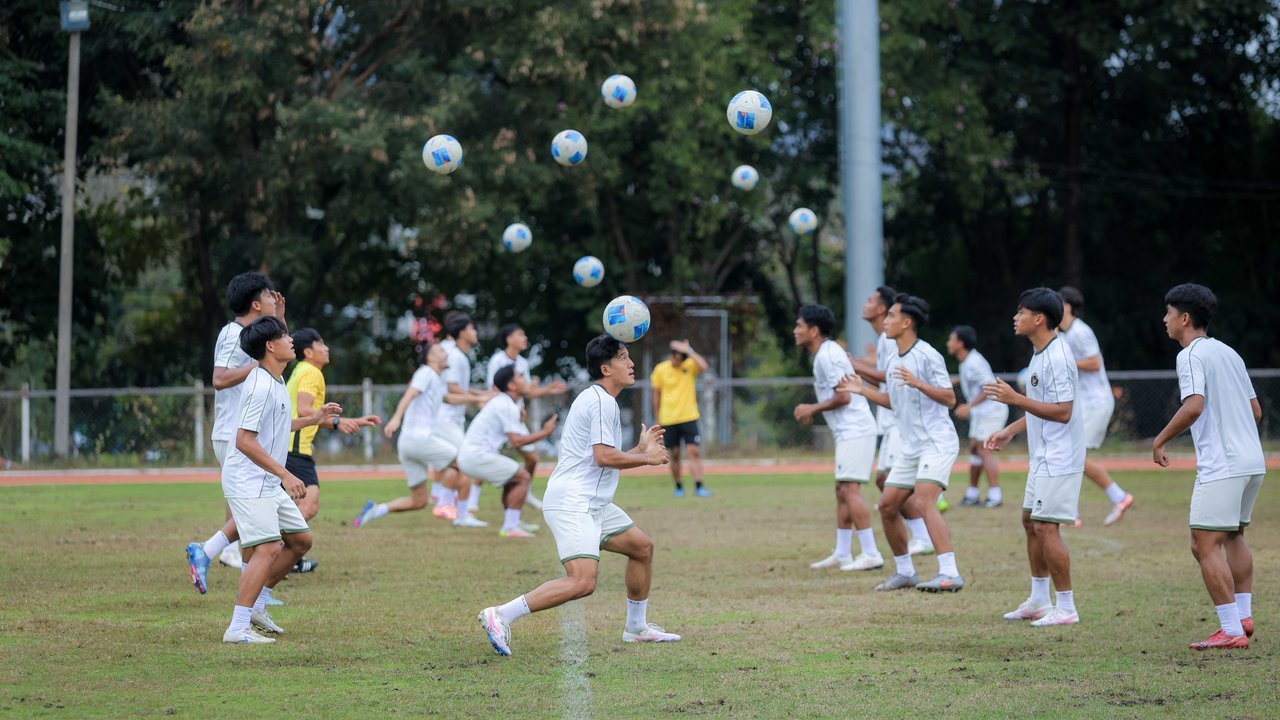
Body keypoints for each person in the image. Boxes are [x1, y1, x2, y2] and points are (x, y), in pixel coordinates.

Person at [478, 335, 679, 656]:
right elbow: (604, 457)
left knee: (642, 547)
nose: (631, 364)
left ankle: (637, 628)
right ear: (605, 367)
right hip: (574, 503)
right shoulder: (600, 401)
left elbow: (604, 457)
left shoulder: (602, 400)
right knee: (583, 582)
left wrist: (639, 450)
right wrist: (646, 458)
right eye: (623, 358)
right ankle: (501, 614)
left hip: (593, 503)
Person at [1152, 283, 1264, 650]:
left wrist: (1161, 438)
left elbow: (1195, 405)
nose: (1165, 319)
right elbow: (1256, 411)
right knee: (1233, 536)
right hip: (1252, 461)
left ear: (1184, 318)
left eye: (1169, 312)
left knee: (1202, 544)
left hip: (1224, 463)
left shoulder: (1191, 355)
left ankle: (1231, 630)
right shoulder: (1228, 352)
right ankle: (1243, 615)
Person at [218, 316, 340, 643]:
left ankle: (256, 606)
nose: (292, 341)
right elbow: (244, 441)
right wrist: (285, 473)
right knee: (269, 547)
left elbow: (280, 426)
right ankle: (237, 628)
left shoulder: (276, 379)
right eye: (285, 336)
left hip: (266, 481)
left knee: (301, 541)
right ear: (271, 346)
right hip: (248, 480)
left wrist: (314, 418)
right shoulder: (259, 385)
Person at [839, 294, 963, 593]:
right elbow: (894, 401)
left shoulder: (927, 354)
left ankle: (950, 573)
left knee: (922, 501)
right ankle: (906, 572)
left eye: (892, 316)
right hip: (912, 447)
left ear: (907, 322)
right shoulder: (895, 357)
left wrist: (919, 383)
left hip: (937, 441)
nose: (887, 321)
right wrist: (862, 390)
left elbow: (949, 398)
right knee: (887, 505)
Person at [984, 288, 1084, 627]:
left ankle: (1066, 607)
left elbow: (1063, 412)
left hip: (1059, 457)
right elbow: (1041, 409)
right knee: (1030, 522)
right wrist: (1010, 430)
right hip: (1041, 456)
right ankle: (1040, 600)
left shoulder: (1057, 356)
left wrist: (1015, 399)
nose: (1015, 317)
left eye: (1021, 312)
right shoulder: (1039, 354)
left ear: (1039, 318)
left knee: (1045, 526)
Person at [186, 272, 285, 593]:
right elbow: (219, 378)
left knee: (254, 513)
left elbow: (277, 357)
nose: (276, 298)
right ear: (256, 303)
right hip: (236, 435)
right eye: (270, 295)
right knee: (258, 509)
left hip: (246, 434)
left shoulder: (254, 333)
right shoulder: (232, 334)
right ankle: (212, 551)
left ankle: (245, 582)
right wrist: (258, 363)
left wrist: (279, 322)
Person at [792, 304, 884, 573]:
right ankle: (842, 553)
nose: (795, 331)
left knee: (850, 490)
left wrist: (812, 408)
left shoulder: (827, 356)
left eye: (799, 326)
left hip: (855, 430)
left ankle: (871, 553)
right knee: (841, 490)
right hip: (848, 431)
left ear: (814, 330)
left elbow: (844, 396)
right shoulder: (826, 352)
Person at [354, 343, 484, 529]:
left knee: (419, 500)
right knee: (463, 462)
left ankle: (375, 510)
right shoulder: (426, 372)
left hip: (408, 445)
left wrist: (479, 398)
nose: (445, 353)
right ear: (431, 358)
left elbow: (450, 399)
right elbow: (410, 394)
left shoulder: (436, 379)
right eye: (440, 351)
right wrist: (396, 418)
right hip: (420, 440)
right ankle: (457, 513)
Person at [284, 327, 381, 572]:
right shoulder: (311, 371)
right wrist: (338, 422)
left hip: (288, 446)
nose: (326, 348)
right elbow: (306, 410)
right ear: (308, 351)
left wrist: (349, 421)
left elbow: (310, 415)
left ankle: (286, 557)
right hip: (295, 448)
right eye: (321, 343)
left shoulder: (300, 370)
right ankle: (271, 551)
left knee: (296, 508)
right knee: (308, 506)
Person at [851, 286, 936, 553]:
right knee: (884, 481)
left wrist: (852, 365)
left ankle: (925, 535)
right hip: (891, 417)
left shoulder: (890, 338)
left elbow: (886, 377)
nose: (865, 304)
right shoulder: (884, 340)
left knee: (890, 481)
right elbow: (884, 374)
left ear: (881, 309)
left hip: (900, 420)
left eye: (870, 301)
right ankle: (922, 535)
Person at [1058, 286, 1134, 525]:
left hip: (1096, 402)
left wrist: (1066, 362)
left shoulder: (1080, 331)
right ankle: (1072, 510)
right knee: (1071, 455)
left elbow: (1094, 362)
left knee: (1074, 456)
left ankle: (1117, 497)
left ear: (1067, 307)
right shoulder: (1062, 336)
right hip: (1083, 404)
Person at [456, 366, 558, 537]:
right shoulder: (505, 404)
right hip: (475, 456)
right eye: (520, 376)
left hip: (471, 456)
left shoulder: (505, 402)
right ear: (511, 385)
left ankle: (513, 522)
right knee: (523, 476)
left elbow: (512, 437)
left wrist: (521, 421)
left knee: (513, 480)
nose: (525, 379)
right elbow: (516, 441)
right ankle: (510, 526)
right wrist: (545, 433)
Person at [485, 322, 569, 509]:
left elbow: (527, 392)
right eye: (521, 335)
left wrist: (547, 389)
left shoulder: (522, 363)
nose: (525, 339)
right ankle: (471, 502)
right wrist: (512, 407)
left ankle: (525, 492)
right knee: (486, 455)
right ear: (509, 339)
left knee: (532, 459)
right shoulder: (497, 361)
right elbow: (494, 389)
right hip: (501, 415)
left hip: (516, 416)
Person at [439, 313, 495, 519]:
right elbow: (452, 388)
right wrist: (477, 399)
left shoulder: (460, 356)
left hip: (453, 419)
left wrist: (485, 395)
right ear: (462, 333)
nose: (476, 333)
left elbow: (462, 388)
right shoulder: (455, 356)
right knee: (466, 460)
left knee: (461, 462)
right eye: (472, 329)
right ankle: (448, 505)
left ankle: (448, 504)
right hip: (446, 419)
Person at [946, 325, 1009, 508]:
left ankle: (995, 496)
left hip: (992, 410)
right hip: (983, 412)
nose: (948, 343)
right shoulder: (966, 361)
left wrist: (969, 406)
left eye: (951, 339)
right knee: (975, 449)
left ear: (960, 343)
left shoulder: (973, 361)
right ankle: (972, 494)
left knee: (983, 449)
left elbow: (989, 386)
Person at [650, 339, 712, 498]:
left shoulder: (689, 365)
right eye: (674, 356)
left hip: (689, 416)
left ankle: (699, 486)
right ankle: (678, 487)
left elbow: (704, 366)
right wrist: (657, 419)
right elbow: (656, 396)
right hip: (669, 419)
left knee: (694, 451)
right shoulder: (660, 369)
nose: (675, 360)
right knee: (675, 454)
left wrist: (689, 349)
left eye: (679, 357)